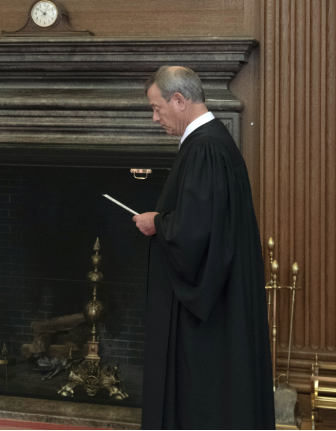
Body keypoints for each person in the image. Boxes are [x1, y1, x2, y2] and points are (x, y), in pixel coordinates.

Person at [133, 66, 275, 429]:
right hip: (222, 297)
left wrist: (157, 222)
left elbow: (195, 233)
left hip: (209, 312)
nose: (154, 118)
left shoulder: (205, 147)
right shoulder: (210, 142)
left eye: (156, 108)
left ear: (179, 100)